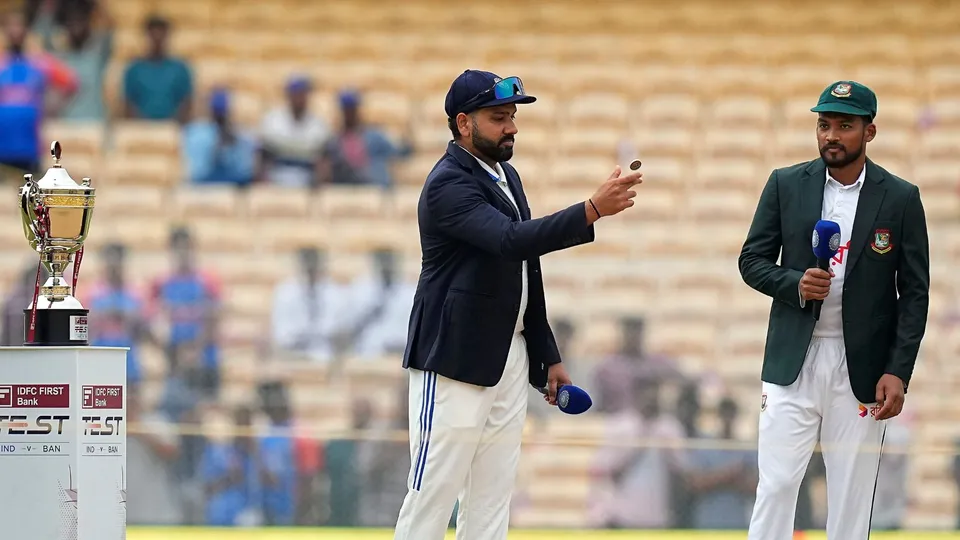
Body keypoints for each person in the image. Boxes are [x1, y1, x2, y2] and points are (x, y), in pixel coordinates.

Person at [392, 69, 642, 540]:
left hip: (508, 355)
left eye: (511, 116)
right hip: (453, 358)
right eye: (499, 118)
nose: (512, 127)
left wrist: (546, 353)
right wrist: (590, 210)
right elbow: (509, 241)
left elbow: (527, 271)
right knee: (432, 496)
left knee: (491, 502)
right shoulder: (447, 182)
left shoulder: (506, 175)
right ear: (463, 123)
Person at [738, 80, 930, 540]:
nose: (831, 136)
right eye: (824, 125)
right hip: (792, 361)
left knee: (851, 495)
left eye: (845, 126)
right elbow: (751, 261)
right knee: (777, 485)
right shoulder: (785, 184)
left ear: (869, 132)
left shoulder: (900, 197)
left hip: (860, 367)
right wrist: (795, 283)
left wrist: (898, 370)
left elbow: (915, 294)